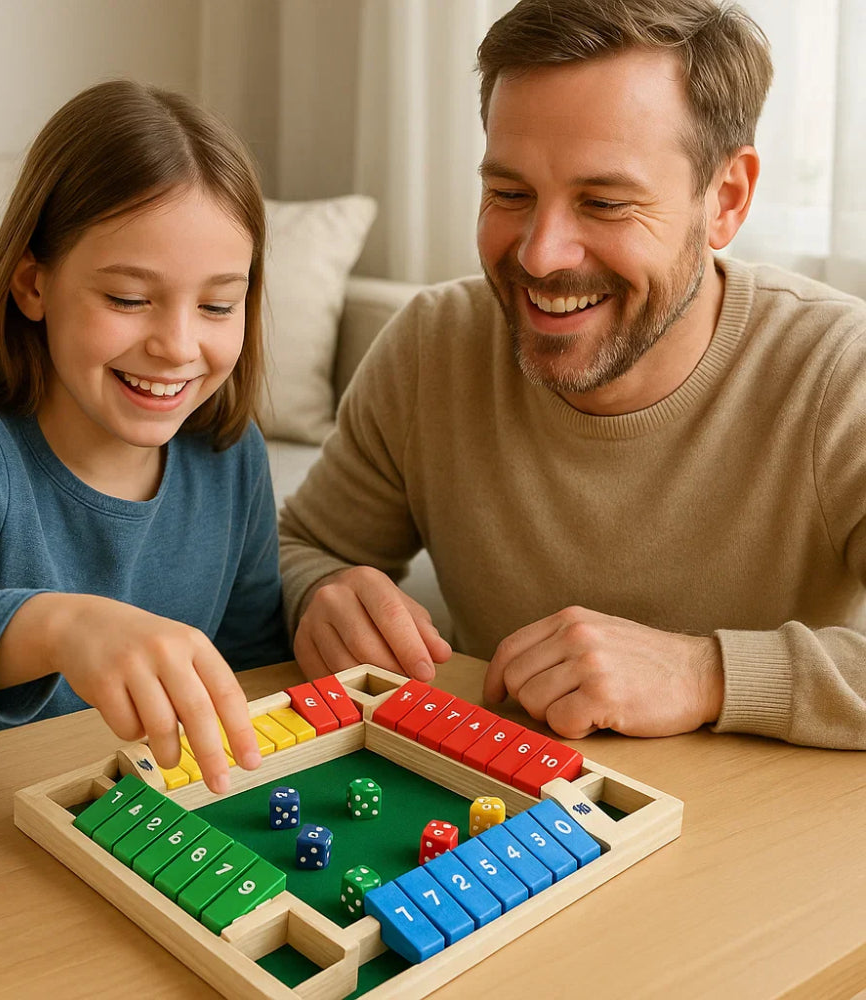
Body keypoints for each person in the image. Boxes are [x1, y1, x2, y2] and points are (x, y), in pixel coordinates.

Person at [278, 0, 866, 750]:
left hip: (752, 845)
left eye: (605, 202)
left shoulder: (839, 372)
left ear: (726, 200)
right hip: (499, 826)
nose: (540, 254)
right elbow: (302, 548)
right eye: (511, 194)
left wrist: (705, 674)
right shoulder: (434, 345)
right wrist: (318, 595)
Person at [0, 80, 292, 789]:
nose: (177, 345)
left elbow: (254, 665)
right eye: (128, 299)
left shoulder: (229, 451)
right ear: (33, 284)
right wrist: (64, 629)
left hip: (127, 827)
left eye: (219, 304)